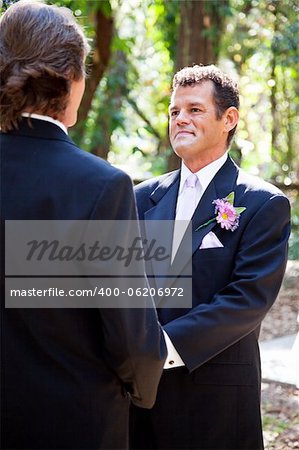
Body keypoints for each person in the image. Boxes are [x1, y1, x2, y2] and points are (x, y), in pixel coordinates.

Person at [0, 2, 166, 449]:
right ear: (72, 78)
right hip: (72, 422)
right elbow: (132, 338)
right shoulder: (101, 186)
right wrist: (143, 390)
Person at [130, 64, 291, 450]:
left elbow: (247, 299)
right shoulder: (141, 197)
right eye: (174, 112)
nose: (180, 119)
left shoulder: (262, 202)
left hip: (216, 399)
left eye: (195, 109)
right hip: (140, 401)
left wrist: (159, 347)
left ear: (228, 119)